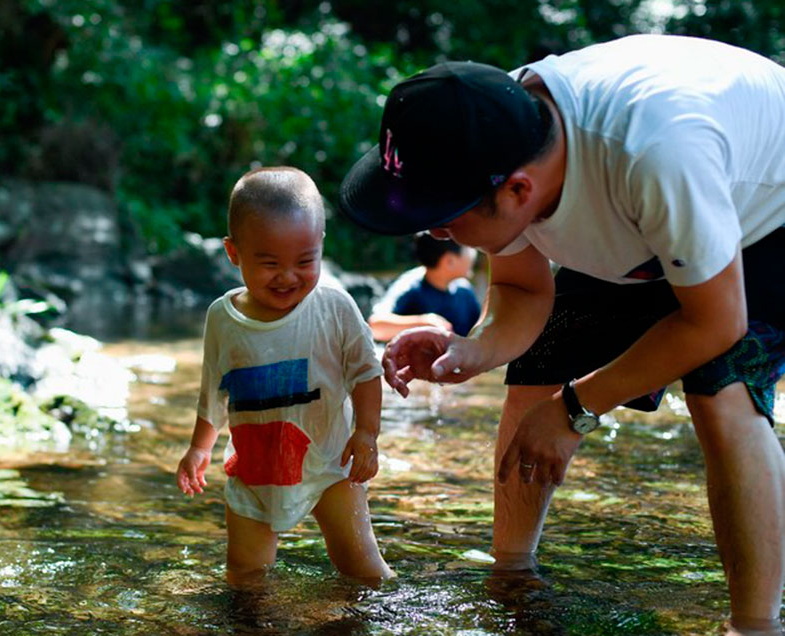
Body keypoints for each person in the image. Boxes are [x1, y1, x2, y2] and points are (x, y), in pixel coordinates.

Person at [337, 34, 785, 635]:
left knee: (720, 394)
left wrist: (577, 408)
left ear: (518, 191)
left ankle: (755, 625)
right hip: (641, 212)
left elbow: (714, 323)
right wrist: (473, 349)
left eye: (442, 218)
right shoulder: (497, 126)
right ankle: (512, 579)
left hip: (765, 213)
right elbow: (523, 293)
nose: (436, 235)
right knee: (538, 367)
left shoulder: (658, 155)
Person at [175, 166, 394, 586]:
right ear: (233, 252)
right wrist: (199, 448)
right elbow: (214, 391)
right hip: (255, 470)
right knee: (245, 574)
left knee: (362, 569)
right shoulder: (223, 318)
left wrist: (367, 433)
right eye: (270, 263)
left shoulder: (334, 307)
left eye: (305, 261)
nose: (288, 276)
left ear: (321, 245)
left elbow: (366, 372)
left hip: (331, 464)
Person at [368, 233, 481, 341]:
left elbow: (480, 331)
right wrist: (424, 323)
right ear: (449, 261)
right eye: (467, 248)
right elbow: (376, 326)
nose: (473, 252)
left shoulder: (464, 290)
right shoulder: (410, 286)